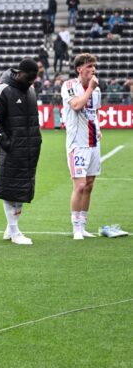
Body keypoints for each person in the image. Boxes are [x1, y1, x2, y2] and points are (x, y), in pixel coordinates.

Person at [0, 59, 41, 245]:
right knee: (10, 188)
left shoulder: (31, 90)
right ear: (19, 72)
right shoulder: (3, 90)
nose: (31, 81)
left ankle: (11, 229)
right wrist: (8, 144)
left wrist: (36, 140)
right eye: (29, 77)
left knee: (21, 189)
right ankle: (15, 231)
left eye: (34, 78)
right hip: (12, 150)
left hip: (30, 149)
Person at [61, 54, 102, 240]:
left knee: (90, 185)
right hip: (77, 144)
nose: (93, 69)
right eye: (89, 66)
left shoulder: (97, 91)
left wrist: (98, 128)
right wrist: (90, 89)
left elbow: (95, 113)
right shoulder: (69, 86)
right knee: (80, 185)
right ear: (79, 69)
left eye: (94, 66)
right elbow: (77, 105)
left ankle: (84, 225)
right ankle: (76, 227)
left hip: (93, 143)